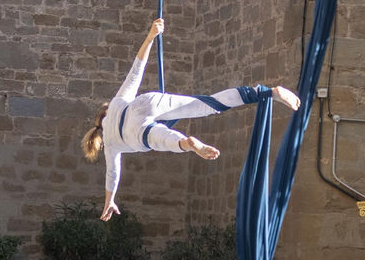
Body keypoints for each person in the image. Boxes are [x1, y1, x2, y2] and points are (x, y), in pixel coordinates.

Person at [85, 18, 300, 221]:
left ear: (99, 132)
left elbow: (113, 173)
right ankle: (267, 92)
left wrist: (109, 200)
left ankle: (187, 143)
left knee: (167, 140)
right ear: (104, 111)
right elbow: (136, 70)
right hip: (145, 103)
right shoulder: (115, 103)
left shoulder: (110, 144)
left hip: (136, 135)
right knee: (208, 104)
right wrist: (151, 36)